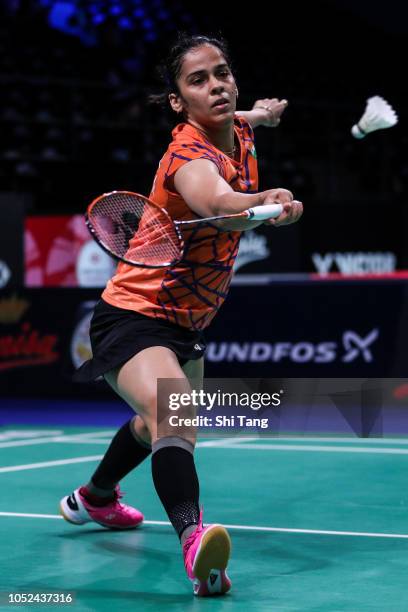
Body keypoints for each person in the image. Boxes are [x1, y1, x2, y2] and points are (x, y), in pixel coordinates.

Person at [60, 33, 303, 597]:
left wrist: (262, 114)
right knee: (176, 418)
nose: (216, 87)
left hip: (186, 322)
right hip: (134, 315)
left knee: (152, 425)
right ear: (177, 101)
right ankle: (196, 545)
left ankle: (93, 499)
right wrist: (268, 200)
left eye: (222, 73)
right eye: (197, 81)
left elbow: (240, 116)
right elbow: (218, 203)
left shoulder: (236, 124)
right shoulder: (188, 160)